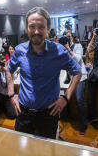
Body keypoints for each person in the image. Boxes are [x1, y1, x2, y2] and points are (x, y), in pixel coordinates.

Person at [6, 7, 82, 139]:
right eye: (32, 26)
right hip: (24, 113)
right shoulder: (19, 50)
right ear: (26, 29)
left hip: (49, 114)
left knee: (48, 149)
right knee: (21, 149)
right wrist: (11, 94)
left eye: (41, 27)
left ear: (47, 29)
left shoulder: (59, 51)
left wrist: (66, 98)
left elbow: (77, 72)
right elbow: (8, 70)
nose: (36, 31)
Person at [64, 30, 88, 134]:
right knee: (65, 97)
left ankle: (83, 124)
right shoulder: (63, 49)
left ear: (72, 38)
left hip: (80, 77)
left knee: (79, 99)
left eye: (69, 37)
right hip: (70, 77)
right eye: (66, 37)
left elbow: (77, 59)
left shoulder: (78, 46)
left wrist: (68, 48)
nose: (68, 39)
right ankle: (68, 117)